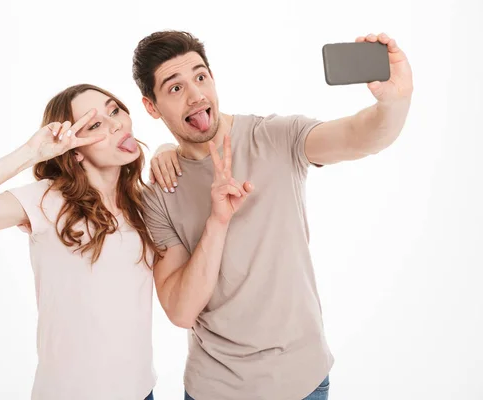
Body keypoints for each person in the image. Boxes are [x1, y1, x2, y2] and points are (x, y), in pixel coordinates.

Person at [135, 31, 413, 400]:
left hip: (302, 381)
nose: (196, 95)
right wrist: (217, 220)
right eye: (174, 88)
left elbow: (359, 136)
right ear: (151, 107)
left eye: (201, 77)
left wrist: (395, 102)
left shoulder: (276, 136)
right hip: (212, 390)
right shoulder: (159, 191)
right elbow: (181, 311)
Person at [0, 83, 180, 400]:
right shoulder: (48, 200)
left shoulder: (143, 204)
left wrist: (167, 147)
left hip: (140, 392)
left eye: (115, 110)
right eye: (96, 124)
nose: (116, 124)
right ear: (75, 150)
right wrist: (30, 153)